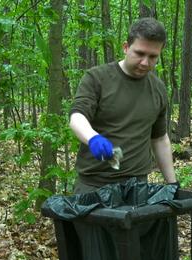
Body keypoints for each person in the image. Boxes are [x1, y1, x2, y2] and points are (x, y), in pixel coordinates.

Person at [69, 17, 178, 194]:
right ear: (126, 47)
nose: (145, 62)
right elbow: (77, 116)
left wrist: (172, 184)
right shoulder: (97, 78)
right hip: (93, 186)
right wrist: (93, 138)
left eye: (152, 57)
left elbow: (159, 138)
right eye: (140, 53)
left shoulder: (157, 88)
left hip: (137, 187)